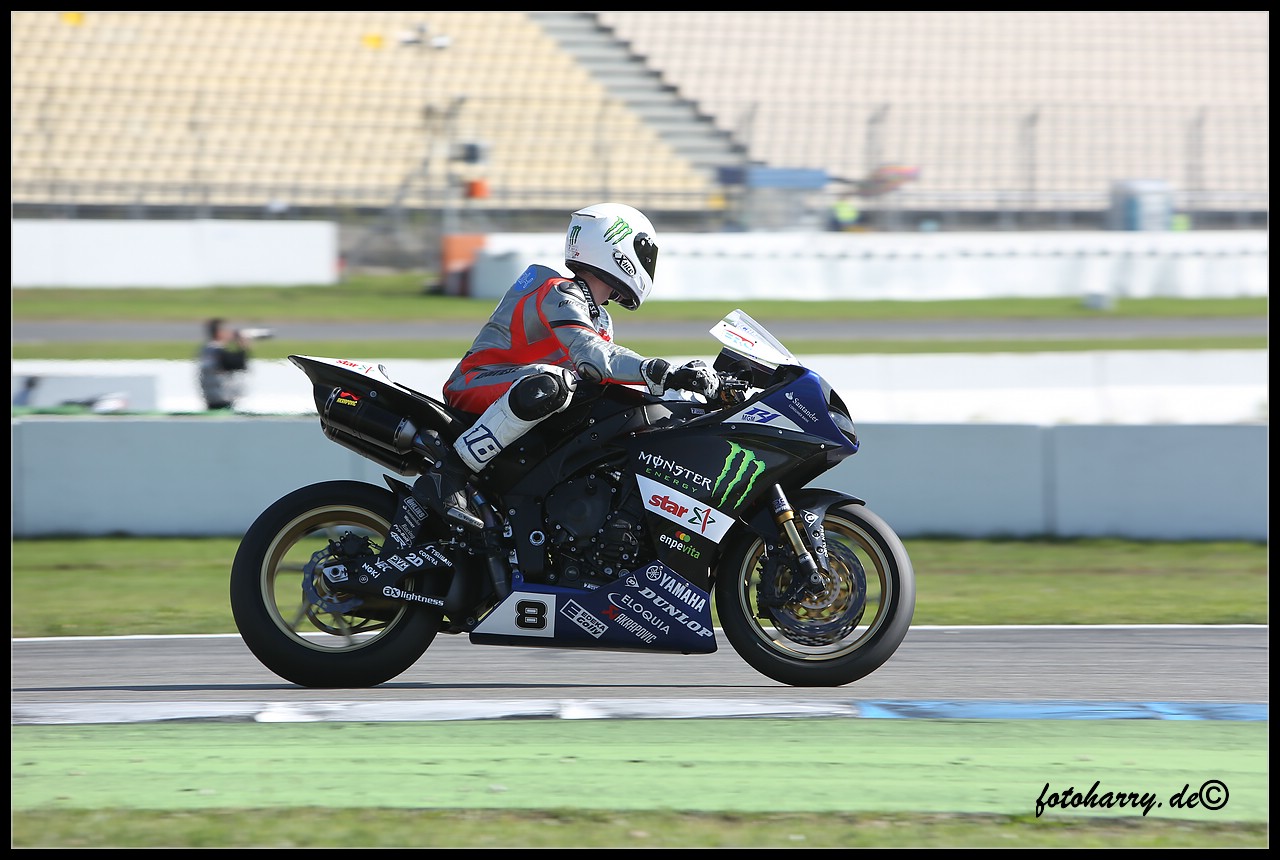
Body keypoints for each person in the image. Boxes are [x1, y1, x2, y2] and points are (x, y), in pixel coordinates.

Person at [427, 202, 721, 514]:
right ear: (620, 250)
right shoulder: (558, 291)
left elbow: (607, 375)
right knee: (553, 383)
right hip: (475, 383)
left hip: (516, 396)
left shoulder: (599, 318)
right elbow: (594, 358)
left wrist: (680, 389)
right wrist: (665, 372)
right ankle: (448, 475)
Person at [197, 318, 251, 411]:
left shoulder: (207, 349)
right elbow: (239, 364)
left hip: (211, 396)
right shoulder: (217, 351)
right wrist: (243, 347)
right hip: (221, 398)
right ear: (219, 333)